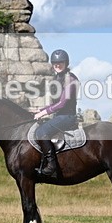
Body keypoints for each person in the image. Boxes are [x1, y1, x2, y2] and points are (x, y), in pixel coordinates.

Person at [30, 49, 80, 178]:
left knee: (41, 132)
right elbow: (55, 104)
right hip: (59, 116)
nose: (57, 65)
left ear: (66, 63)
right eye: (55, 63)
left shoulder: (71, 79)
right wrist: (41, 110)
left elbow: (63, 103)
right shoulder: (58, 78)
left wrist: (44, 113)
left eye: (60, 63)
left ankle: (51, 166)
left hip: (67, 117)